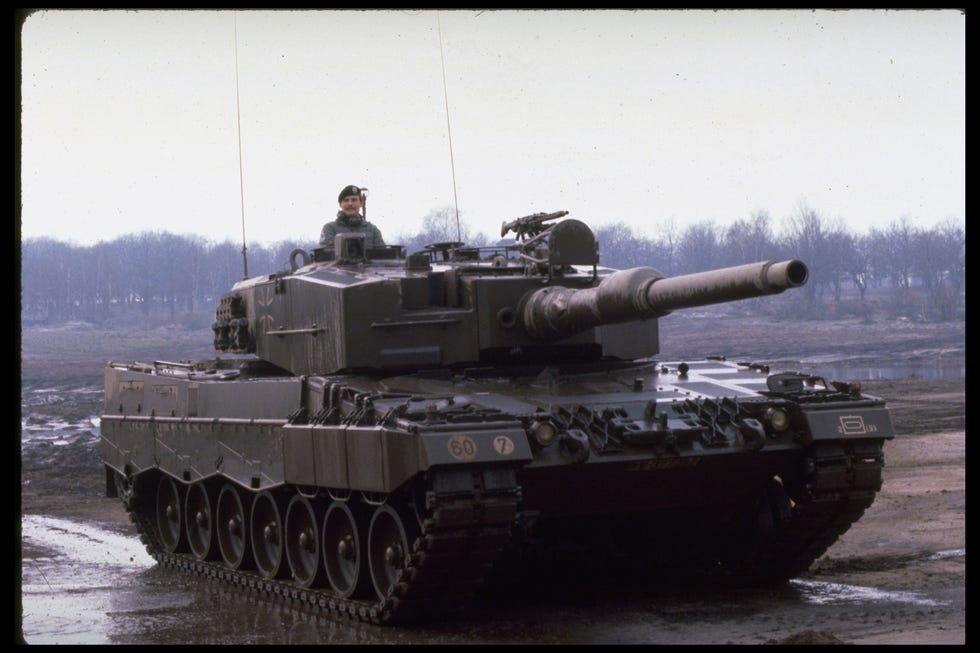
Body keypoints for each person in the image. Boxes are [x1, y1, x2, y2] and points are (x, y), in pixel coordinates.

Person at [320, 184, 385, 248]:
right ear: (340, 204)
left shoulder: (372, 230)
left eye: (354, 200)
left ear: (361, 203)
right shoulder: (330, 229)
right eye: (346, 200)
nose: (350, 203)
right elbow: (326, 254)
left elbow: (383, 254)